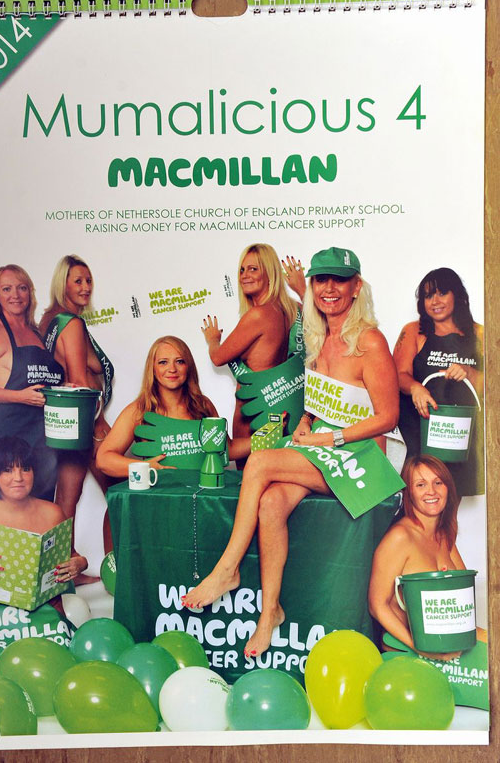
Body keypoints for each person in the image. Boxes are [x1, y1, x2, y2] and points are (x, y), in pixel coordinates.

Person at [182, 247, 402, 657]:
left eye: (339, 280)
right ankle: (270, 612)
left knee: (259, 461)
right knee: (270, 503)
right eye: (321, 280)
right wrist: (305, 424)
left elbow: (388, 416)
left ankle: (227, 569)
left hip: (359, 460)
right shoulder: (318, 338)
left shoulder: (369, 340)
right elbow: (321, 402)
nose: (329, 288)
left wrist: (330, 439)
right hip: (324, 451)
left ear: (356, 287)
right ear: (312, 286)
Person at [0, 437, 84, 674]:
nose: (18, 477)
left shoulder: (53, 513)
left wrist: (79, 563)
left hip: (43, 613)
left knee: (58, 667)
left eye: (25, 468)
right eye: (8, 470)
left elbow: (73, 556)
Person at [368, 454, 486, 661]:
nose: (431, 491)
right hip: (407, 648)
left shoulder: (444, 534)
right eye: (421, 484)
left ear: (448, 488)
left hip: (445, 638)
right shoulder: (400, 537)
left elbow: (462, 593)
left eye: (438, 482)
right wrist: (419, 647)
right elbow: (377, 605)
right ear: (409, 493)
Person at [39, 254, 114, 561]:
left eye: (89, 280)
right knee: (121, 492)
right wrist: (98, 426)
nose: (85, 287)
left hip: (64, 425)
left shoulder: (51, 320)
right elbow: (80, 383)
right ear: (63, 285)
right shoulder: (71, 323)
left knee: (67, 499)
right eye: (78, 281)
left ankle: (62, 567)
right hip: (85, 423)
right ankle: (118, 564)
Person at [202, 244, 302, 466]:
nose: (245, 275)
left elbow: (218, 357)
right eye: (242, 270)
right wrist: (302, 289)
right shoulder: (292, 309)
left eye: (253, 269)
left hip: (252, 413)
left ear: (269, 273)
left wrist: (213, 340)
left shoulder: (258, 315)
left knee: (249, 479)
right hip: (280, 410)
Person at [0, 265, 64, 501]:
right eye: (7, 289)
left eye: (22, 288)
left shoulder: (37, 333)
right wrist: (20, 396)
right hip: (11, 432)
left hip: (44, 435)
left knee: (43, 505)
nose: (15, 295)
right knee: (14, 507)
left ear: (29, 293)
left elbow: (44, 380)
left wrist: (64, 389)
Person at [96, 336, 249, 477]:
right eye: (163, 362)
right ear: (153, 368)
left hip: (203, 492)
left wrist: (262, 439)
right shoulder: (139, 409)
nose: (172, 369)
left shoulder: (203, 405)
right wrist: (145, 467)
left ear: (188, 366)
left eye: (180, 361)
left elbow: (227, 448)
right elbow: (103, 460)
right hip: (161, 494)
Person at [394, 267, 484, 496]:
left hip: (460, 437)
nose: (435, 301)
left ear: (457, 295)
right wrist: (415, 388)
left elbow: (493, 385)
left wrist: (469, 372)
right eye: (428, 296)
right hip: (419, 431)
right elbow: (397, 374)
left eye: (442, 293)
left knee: (449, 499)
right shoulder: (413, 331)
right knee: (417, 497)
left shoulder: (480, 334)